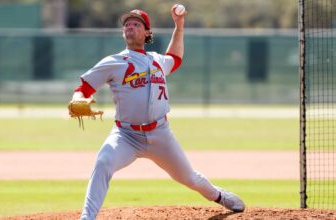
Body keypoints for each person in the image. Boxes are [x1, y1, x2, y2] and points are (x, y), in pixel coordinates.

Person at [71, 5, 245, 220]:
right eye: (127, 24)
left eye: (136, 24)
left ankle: (219, 196)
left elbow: (176, 57)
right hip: (126, 135)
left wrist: (179, 26)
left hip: (160, 133)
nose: (130, 27)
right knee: (103, 162)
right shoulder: (114, 62)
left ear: (146, 33)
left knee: (189, 178)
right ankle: (87, 218)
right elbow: (83, 89)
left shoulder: (157, 60)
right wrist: (77, 100)